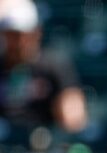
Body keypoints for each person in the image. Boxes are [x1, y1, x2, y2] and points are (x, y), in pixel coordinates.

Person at [0, 0, 87, 133]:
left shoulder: (54, 65)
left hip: (42, 140)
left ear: (36, 33)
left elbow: (74, 118)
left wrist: (66, 109)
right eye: (11, 35)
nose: (18, 42)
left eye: (22, 35)